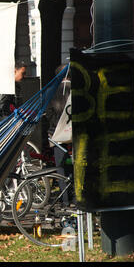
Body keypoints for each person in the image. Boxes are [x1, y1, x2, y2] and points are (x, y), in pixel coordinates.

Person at [45, 64, 74, 207]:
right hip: (74, 134)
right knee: (75, 165)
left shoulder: (52, 91)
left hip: (56, 134)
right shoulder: (76, 90)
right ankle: (76, 197)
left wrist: (55, 125)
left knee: (60, 167)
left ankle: (65, 200)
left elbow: (49, 112)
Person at [0, 60, 27, 126]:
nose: (25, 76)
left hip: (12, 121)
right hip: (7, 124)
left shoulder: (15, 85)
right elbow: (3, 105)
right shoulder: (7, 85)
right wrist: (16, 110)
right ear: (15, 71)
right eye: (23, 73)